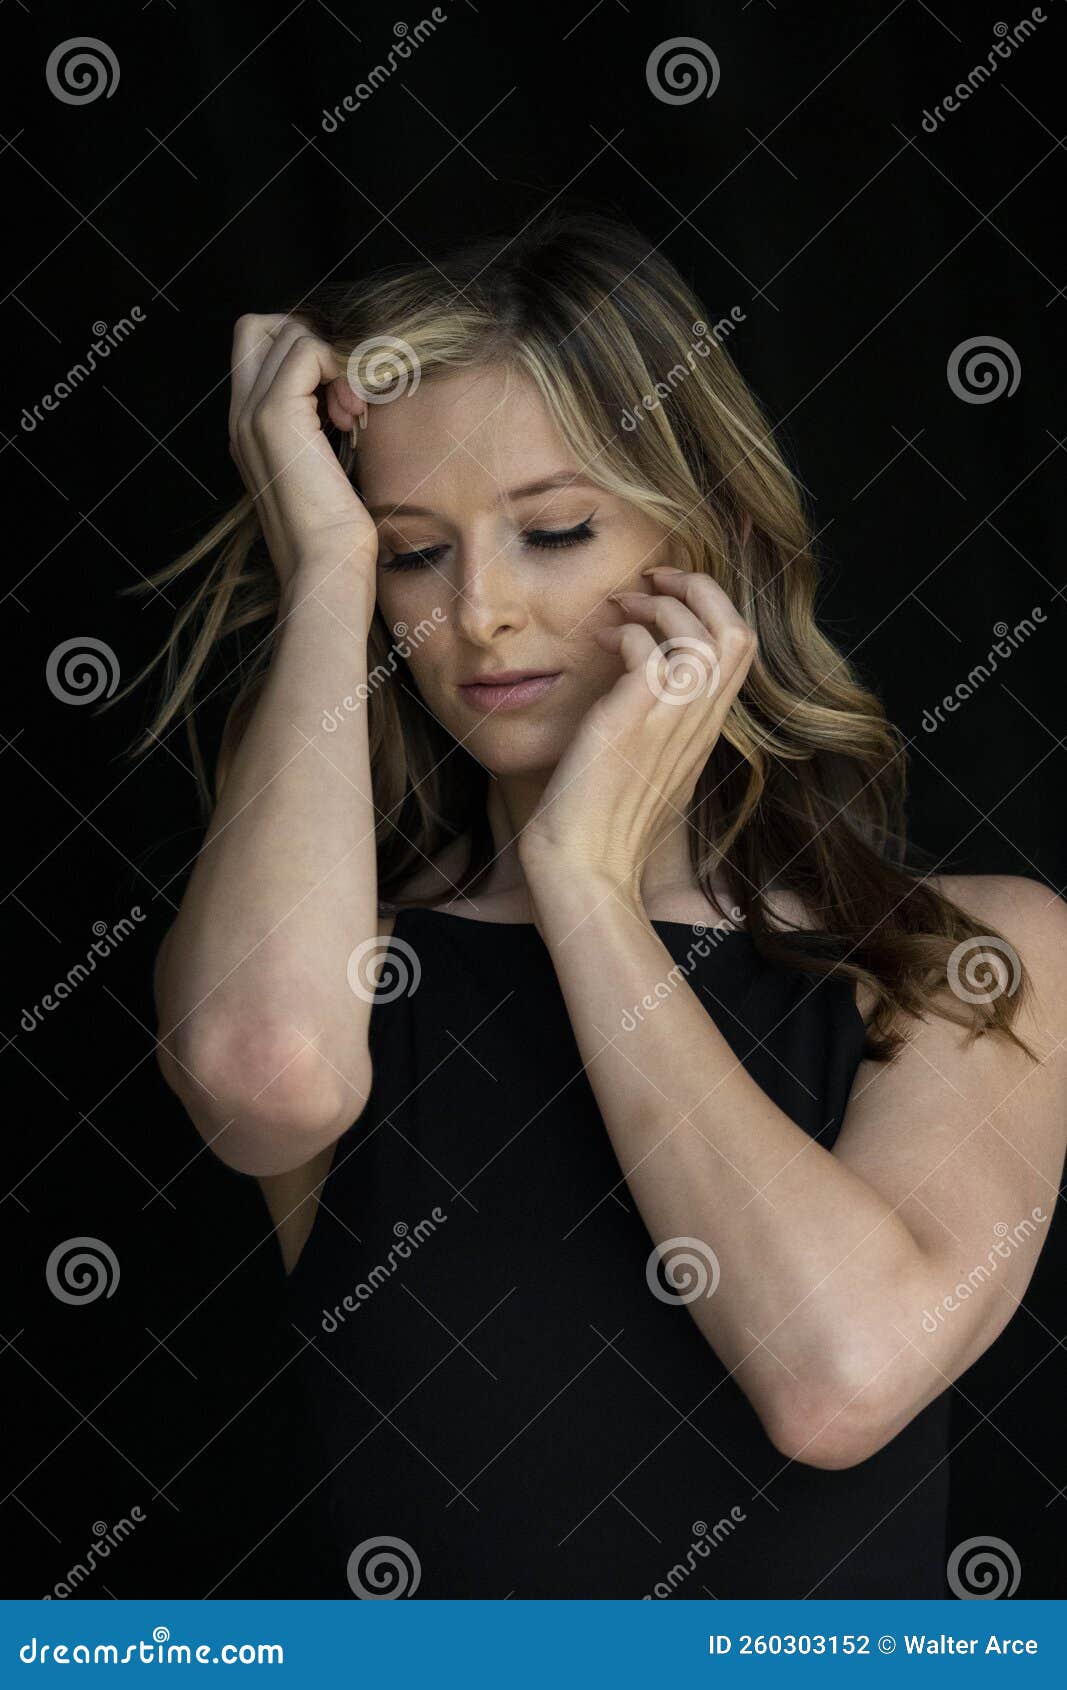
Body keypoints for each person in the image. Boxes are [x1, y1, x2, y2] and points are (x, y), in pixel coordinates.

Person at [117, 210, 1067, 1598]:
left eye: (555, 529)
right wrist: (322, 559)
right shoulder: (349, 963)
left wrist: (584, 884)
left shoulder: (968, 952)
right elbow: (261, 1073)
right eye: (413, 551)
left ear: (711, 540)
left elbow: (839, 1374)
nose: (481, 613)